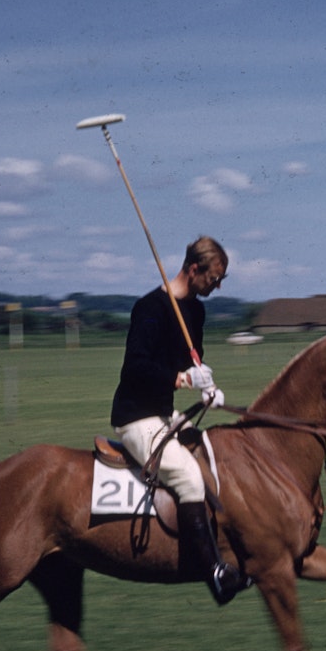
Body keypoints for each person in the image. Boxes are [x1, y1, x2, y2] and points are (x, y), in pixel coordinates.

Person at [111, 236, 250, 605]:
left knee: (212, 459)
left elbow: (193, 360)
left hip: (164, 412)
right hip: (136, 417)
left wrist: (206, 384)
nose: (217, 287)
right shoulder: (150, 308)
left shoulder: (196, 312)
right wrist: (180, 380)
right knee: (189, 478)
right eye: (214, 278)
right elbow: (135, 367)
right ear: (193, 269)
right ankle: (215, 574)